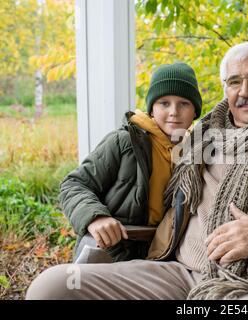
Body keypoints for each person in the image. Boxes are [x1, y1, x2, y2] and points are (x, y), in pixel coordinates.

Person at [26, 41, 248, 300]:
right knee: (52, 287)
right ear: (224, 88)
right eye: (234, 81)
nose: (244, 91)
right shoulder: (200, 140)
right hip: (178, 274)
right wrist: (97, 217)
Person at [58, 62, 202, 262]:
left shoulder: (197, 153)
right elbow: (73, 184)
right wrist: (96, 217)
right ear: (152, 108)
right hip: (114, 252)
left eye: (184, 103)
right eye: (164, 103)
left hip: (165, 257)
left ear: (195, 111)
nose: (174, 112)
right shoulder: (125, 141)